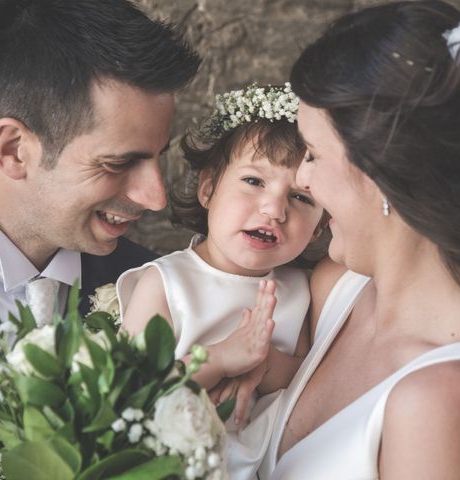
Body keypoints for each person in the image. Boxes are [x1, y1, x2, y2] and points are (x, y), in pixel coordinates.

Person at [258, 2, 460, 479]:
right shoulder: (336, 292)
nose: (301, 178)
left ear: (385, 173)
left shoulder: (446, 404)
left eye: (313, 153)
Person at [0, 0, 200, 477]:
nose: (157, 197)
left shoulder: (155, 289)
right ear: (15, 150)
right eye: (119, 163)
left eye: (158, 157)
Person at [116, 83, 325, 479]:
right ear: (208, 188)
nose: (274, 209)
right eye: (254, 181)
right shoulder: (167, 283)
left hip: (271, 462)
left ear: (318, 229)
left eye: (301, 198)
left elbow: (305, 378)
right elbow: (132, 390)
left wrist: (265, 361)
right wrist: (220, 359)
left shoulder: (300, 289)